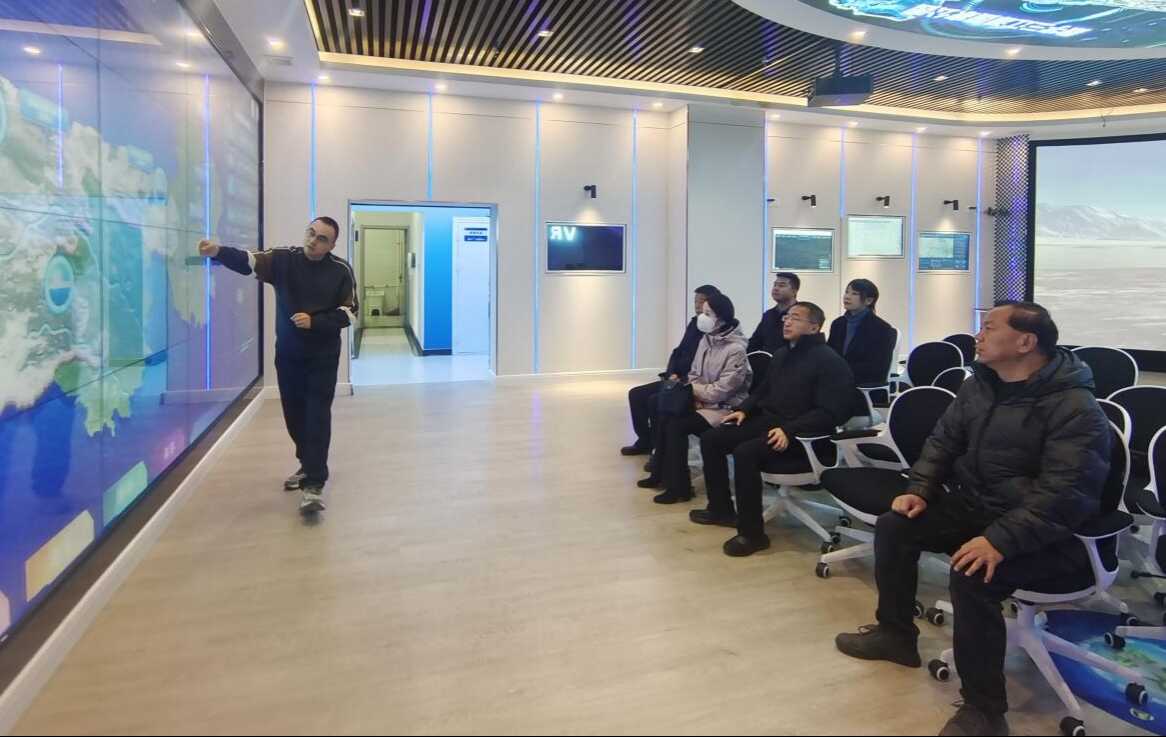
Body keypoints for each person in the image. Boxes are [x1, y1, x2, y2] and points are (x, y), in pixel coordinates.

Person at [834, 302, 1111, 737]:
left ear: (1026, 341)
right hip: (979, 507)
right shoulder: (980, 385)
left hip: (1048, 533)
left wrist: (999, 540)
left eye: (989, 327)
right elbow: (942, 443)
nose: (978, 335)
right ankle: (896, 635)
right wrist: (919, 490)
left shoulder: (1075, 407)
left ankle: (985, 711)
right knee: (895, 526)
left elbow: (1064, 495)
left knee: (972, 573)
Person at [198, 217, 357, 515]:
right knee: (294, 417)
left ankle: (314, 484)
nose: (313, 241)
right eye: (311, 233)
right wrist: (217, 251)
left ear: (332, 245)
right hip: (288, 356)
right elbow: (249, 261)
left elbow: (351, 312)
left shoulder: (340, 270)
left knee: (317, 416)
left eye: (322, 238)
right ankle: (307, 464)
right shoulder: (284, 260)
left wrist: (316, 322)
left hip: (322, 359)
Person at [691, 302, 855, 557]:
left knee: (746, 453)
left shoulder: (830, 361)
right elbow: (763, 389)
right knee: (712, 438)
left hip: (805, 436)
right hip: (773, 422)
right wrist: (744, 409)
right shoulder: (782, 354)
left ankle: (752, 535)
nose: (787, 321)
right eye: (787, 317)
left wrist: (790, 430)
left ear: (814, 327)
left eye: (796, 318)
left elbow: (831, 413)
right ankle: (720, 509)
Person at [639, 292, 751, 504]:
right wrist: (694, 394)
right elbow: (694, 374)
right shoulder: (706, 339)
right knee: (665, 413)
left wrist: (693, 391)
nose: (702, 316)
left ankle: (679, 487)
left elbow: (722, 390)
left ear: (722, 318)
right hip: (702, 401)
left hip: (724, 408)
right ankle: (660, 474)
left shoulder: (736, 349)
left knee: (676, 425)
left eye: (708, 313)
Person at [622, 285, 721, 460]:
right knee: (636, 394)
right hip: (676, 379)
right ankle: (645, 441)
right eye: (695, 301)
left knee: (656, 401)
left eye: (701, 301)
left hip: (691, 384)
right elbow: (678, 351)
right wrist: (671, 373)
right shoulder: (694, 323)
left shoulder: (715, 333)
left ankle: (659, 451)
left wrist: (683, 379)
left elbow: (702, 367)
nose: (697, 305)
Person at [826, 279, 897, 419]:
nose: (847, 296)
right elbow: (829, 356)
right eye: (846, 292)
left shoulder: (881, 329)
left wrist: (840, 375)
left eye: (854, 293)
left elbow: (877, 368)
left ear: (869, 300)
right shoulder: (838, 324)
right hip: (835, 384)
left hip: (862, 389)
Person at [746, 272, 799, 356]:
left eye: (781, 285)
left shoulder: (800, 315)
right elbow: (755, 342)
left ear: (794, 291)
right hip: (767, 362)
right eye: (775, 285)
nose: (776, 288)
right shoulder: (768, 315)